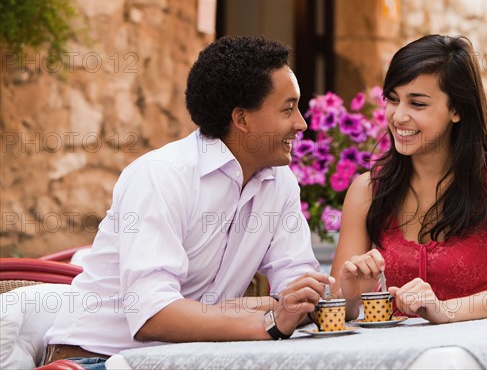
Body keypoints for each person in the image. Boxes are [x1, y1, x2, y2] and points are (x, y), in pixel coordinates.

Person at [44, 36, 333, 367]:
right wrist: (266, 319)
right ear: (242, 119)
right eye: (288, 108)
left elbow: (297, 290)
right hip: (96, 360)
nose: (302, 124)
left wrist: (330, 296)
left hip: (192, 358)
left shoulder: (279, 182)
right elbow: (154, 315)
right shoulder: (161, 176)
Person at [330, 35, 487, 324]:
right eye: (392, 99)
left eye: (417, 104)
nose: (398, 116)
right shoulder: (366, 190)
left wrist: (444, 310)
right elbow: (337, 309)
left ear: (457, 110)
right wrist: (351, 296)